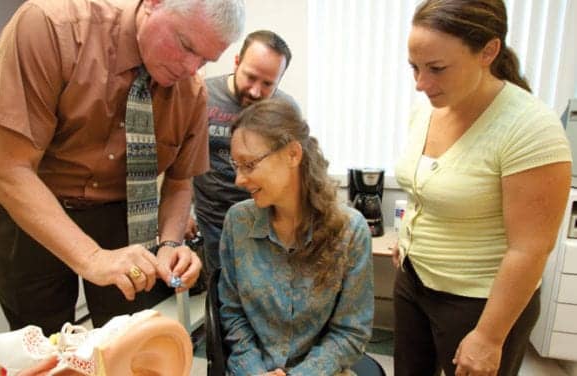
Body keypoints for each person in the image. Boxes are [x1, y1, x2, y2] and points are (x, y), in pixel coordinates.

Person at [0, 0, 244, 335]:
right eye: (186, 45)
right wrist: (91, 257)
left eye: (206, 59)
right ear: (153, 4)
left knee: (128, 340)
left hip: (123, 217)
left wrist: (171, 245)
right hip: (31, 210)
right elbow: (7, 167)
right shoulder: (51, 27)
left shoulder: (191, 92)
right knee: (41, 345)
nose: (191, 67)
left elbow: (179, 181)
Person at [392, 1, 572, 375]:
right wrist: (409, 234)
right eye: (415, 67)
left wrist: (489, 337)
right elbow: (424, 185)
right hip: (414, 279)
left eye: (437, 68)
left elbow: (530, 248)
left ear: (488, 51)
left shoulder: (529, 127)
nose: (420, 83)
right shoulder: (427, 108)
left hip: (479, 302)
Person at [218, 99, 374, 375]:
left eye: (249, 164)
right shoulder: (238, 222)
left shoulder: (350, 231)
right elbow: (232, 315)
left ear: (292, 154)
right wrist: (254, 371)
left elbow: (351, 332)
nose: (238, 180)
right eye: (236, 165)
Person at [191, 30, 297, 276]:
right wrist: (184, 214)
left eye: (268, 84)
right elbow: (180, 158)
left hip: (267, 223)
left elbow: (295, 172)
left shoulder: (286, 110)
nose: (256, 91)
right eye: (251, 77)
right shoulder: (201, 95)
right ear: (237, 62)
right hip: (213, 222)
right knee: (222, 296)